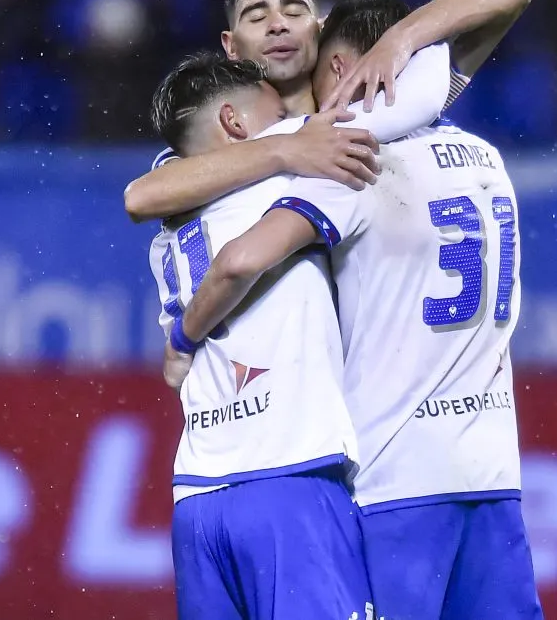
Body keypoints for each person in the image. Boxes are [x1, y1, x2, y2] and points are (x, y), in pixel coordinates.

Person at [164, 0, 543, 620]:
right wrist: (408, 39)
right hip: (491, 473)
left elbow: (239, 258)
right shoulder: (486, 158)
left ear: (342, 71)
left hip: (395, 479)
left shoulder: (356, 165)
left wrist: (183, 337)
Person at [149, 41, 451, 619]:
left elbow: (143, 192)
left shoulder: (173, 215)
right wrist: (402, 41)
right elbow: (437, 78)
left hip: (198, 498)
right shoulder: (279, 162)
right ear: (235, 124)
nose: (292, 121)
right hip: (287, 480)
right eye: (277, 111)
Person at [123, 0, 532, 223]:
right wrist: (285, 149)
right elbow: (142, 197)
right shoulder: (223, 135)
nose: (278, 24)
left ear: (318, 28)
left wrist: (400, 39)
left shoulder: (384, 102)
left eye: (294, 11)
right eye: (256, 16)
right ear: (231, 47)